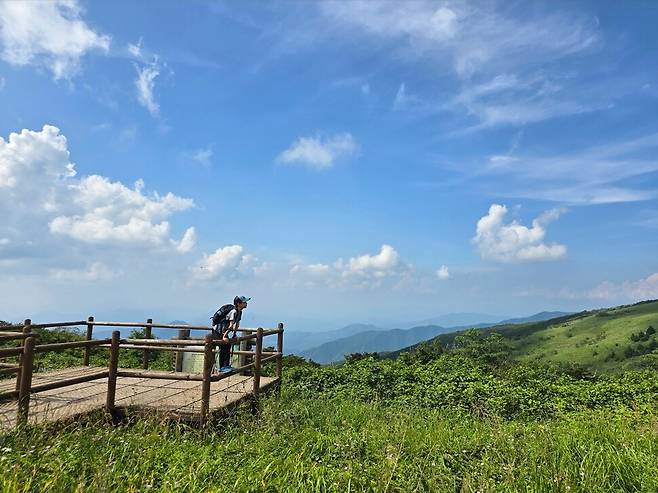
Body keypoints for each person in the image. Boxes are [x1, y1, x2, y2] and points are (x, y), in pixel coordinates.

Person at [217, 295, 250, 373]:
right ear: (238, 303)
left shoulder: (239, 312)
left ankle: (226, 366)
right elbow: (231, 325)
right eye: (244, 302)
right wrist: (224, 336)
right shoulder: (234, 311)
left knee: (227, 346)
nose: (246, 303)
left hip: (225, 330)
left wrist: (234, 335)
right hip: (219, 329)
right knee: (224, 346)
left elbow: (236, 325)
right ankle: (222, 367)